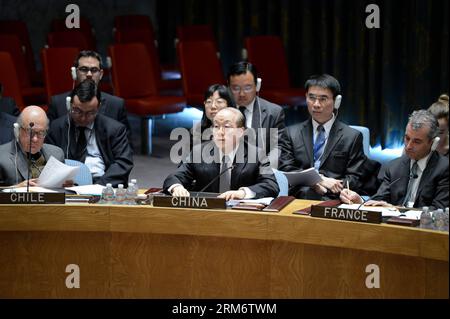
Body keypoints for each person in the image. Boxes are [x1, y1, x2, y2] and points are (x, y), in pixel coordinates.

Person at [280, 74, 375, 200]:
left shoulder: (352, 137)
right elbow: (286, 170)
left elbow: (355, 179)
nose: (316, 104)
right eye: (311, 98)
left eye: (323, 99)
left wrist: (330, 188)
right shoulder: (291, 133)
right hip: (299, 198)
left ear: (336, 102)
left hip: (334, 200)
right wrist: (318, 181)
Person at [340, 110, 449, 209]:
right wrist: (360, 201)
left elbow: (439, 210)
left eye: (417, 141)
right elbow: (380, 199)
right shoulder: (393, 167)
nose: (408, 146)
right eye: (407, 138)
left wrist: (394, 208)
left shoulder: (444, 169)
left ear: (433, 143)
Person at [163, 107, 279, 200]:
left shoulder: (257, 154)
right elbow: (175, 176)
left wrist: (243, 193)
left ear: (240, 132)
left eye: (227, 127)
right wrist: (177, 187)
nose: (220, 132)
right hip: (206, 213)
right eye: (216, 126)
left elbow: (271, 185)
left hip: (241, 216)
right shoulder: (199, 152)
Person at [46, 79, 133, 187]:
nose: (83, 118)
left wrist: (98, 186)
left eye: (90, 113)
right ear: (70, 105)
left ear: (99, 107)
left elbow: (123, 163)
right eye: (77, 111)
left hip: (103, 184)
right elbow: (49, 162)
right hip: (68, 185)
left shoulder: (115, 129)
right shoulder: (56, 127)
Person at [46, 50, 131, 137]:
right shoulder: (57, 103)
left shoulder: (116, 105)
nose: (89, 74)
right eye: (84, 69)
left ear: (101, 74)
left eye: (94, 70)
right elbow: (49, 142)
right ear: (75, 73)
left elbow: (126, 144)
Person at [227, 62, 288, 168]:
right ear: (228, 86)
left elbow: (278, 149)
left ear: (257, 86)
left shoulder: (273, 113)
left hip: (261, 175)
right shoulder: (222, 111)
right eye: (236, 88)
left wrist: (262, 169)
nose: (241, 94)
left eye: (247, 88)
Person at [0, 105, 65, 187]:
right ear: (17, 130)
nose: (35, 139)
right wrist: (16, 188)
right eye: (30, 132)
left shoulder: (57, 154)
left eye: (41, 132)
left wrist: (67, 186)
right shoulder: (1, 157)